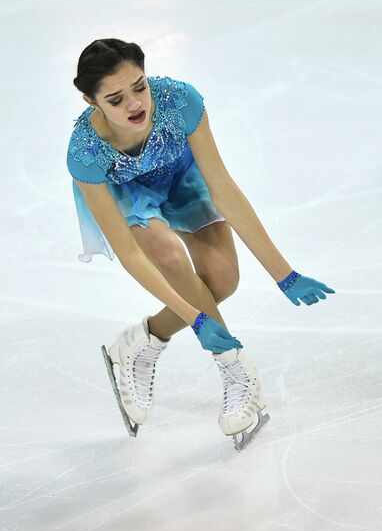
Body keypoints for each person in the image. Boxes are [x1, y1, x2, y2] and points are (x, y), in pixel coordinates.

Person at [67, 39, 335, 451]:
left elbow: (224, 188)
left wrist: (285, 274)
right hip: (128, 195)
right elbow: (131, 252)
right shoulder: (86, 153)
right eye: (116, 99)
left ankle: (143, 341)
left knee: (222, 282)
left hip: (180, 179)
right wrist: (196, 320)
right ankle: (237, 373)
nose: (136, 104)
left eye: (140, 86)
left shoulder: (179, 101)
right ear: (90, 100)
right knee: (167, 254)